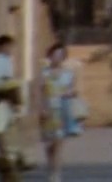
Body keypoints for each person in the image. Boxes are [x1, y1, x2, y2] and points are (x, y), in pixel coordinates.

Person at [38, 42, 79, 182]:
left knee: (59, 142)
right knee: (49, 144)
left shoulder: (68, 73)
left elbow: (74, 90)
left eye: (61, 55)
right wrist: (41, 108)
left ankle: (56, 173)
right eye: (55, 54)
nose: (58, 58)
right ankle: (51, 168)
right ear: (50, 56)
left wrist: (70, 93)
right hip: (48, 111)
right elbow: (39, 92)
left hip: (62, 111)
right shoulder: (44, 73)